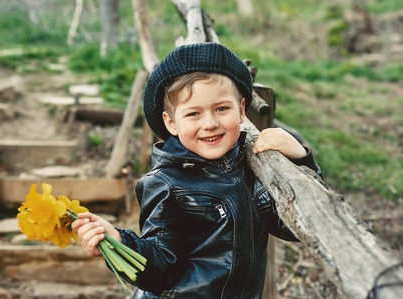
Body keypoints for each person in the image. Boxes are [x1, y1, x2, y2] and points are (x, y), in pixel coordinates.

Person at [72, 43, 322, 298]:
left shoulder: (250, 167)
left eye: (221, 109)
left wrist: (301, 161)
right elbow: (162, 269)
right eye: (193, 114)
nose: (210, 124)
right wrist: (120, 242)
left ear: (242, 110)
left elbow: (293, 226)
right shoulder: (165, 184)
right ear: (171, 123)